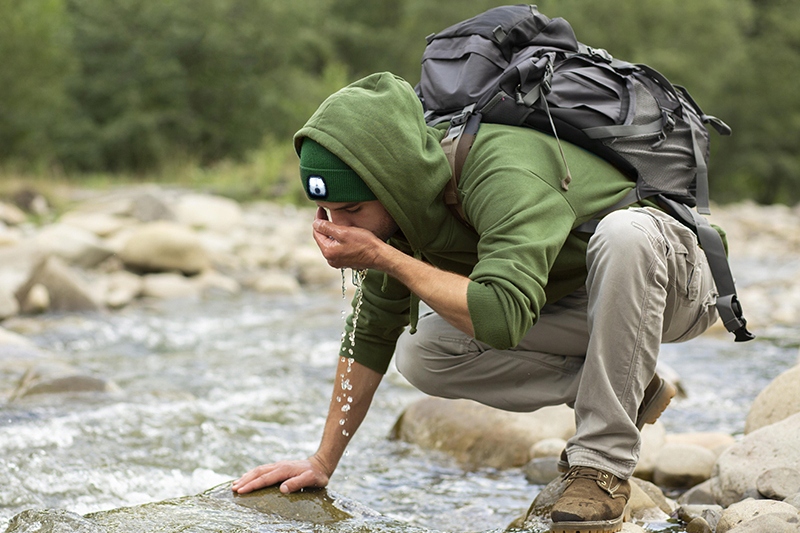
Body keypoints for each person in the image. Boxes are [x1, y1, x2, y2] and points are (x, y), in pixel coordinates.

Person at [232, 72, 721, 533]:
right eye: (325, 211)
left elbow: (502, 319)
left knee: (625, 232)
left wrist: (385, 257)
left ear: (391, 183)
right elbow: (370, 334)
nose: (339, 227)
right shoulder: (403, 219)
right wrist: (322, 461)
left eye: (352, 209)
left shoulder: (501, 170)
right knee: (424, 351)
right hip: (579, 298)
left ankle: (601, 467)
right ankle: (625, 385)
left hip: (675, 283)